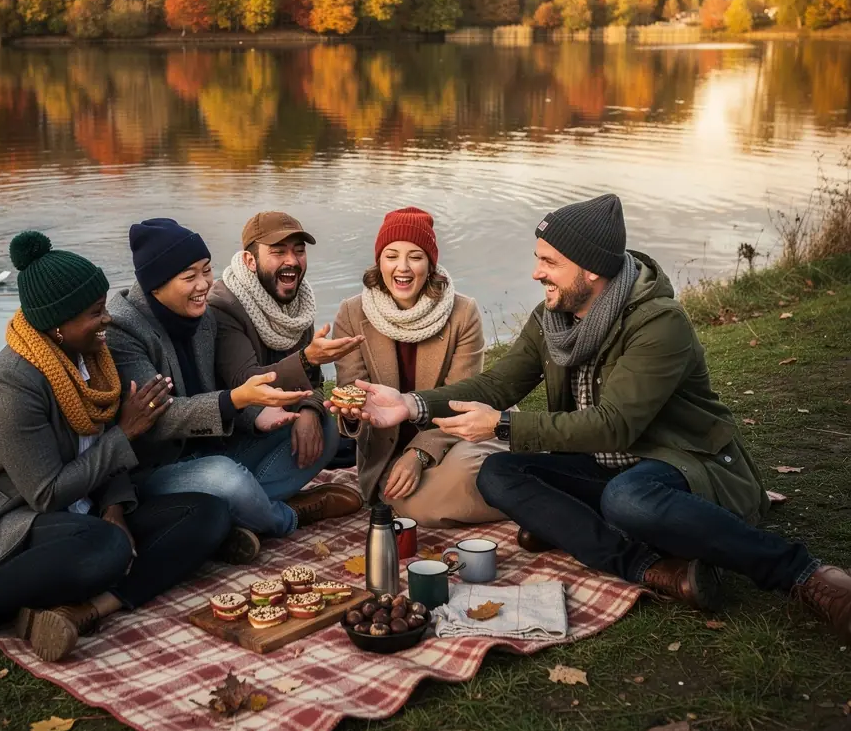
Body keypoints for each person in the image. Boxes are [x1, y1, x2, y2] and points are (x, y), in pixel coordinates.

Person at [346, 195, 851, 642]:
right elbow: (499, 385)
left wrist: (503, 426)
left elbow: (616, 427)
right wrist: (411, 404)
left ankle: (801, 574)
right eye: (537, 259)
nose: (536, 273)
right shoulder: (553, 317)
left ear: (590, 270)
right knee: (501, 473)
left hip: (683, 461)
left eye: (549, 262)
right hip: (605, 464)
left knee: (628, 497)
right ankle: (652, 568)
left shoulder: (659, 322)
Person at [0, 231, 230, 685]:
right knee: (105, 546)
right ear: (57, 323)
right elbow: (47, 493)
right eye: (95, 313)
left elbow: (98, 451)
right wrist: (126, 432)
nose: (107, 321)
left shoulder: (92, 360)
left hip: (78, 514)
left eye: (103, 306)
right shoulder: (12, 383)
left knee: (208, 513)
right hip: (6, 519)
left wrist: (115, 507)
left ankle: (84, 611)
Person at [106, 218, 362, 562]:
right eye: (189, 277)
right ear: (155, 285)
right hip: (158, 470)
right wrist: (240, 400)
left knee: (324, 427)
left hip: (218, 450)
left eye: (207, 270)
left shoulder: (201, 316)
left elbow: (220, 390)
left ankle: (240, 516)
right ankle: (290, 516)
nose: (203, 285)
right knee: (226, 479)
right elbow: (160, 419)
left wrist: (258, 414)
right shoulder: (124, 331)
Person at [326, 207, 502, 527]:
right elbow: (353, 392)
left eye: (415, 256)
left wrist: (419, 454)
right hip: (387, 454)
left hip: (449, 440)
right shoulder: (351, 314)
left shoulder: (463, 313)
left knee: (463, 475)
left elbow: (462, 397)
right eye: (392, 255)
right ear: (379, 261)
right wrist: (351, 413)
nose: (402, 268)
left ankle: (525, 496)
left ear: (430, 264)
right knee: (418, 505)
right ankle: (523, 499)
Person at [208, 209, 366, 484]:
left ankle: (260, 499)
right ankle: (275, 507)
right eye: (278, 252)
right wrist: (306, 359)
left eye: (299, 251)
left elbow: (313, 384)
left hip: (281, 420)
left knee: (326, 426)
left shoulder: (297, 304)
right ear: (250, 260)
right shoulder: (224, 305)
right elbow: (246, 381)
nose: (292, 261)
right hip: (236, 432)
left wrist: (308, 410)